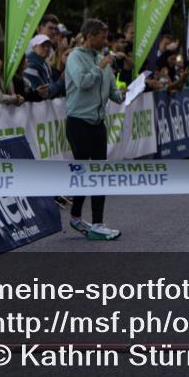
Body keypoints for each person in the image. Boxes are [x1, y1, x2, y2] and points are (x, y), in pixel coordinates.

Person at [65, 19, 124, 241]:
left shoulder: (102, 59)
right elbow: (83, 82)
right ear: (90, 36)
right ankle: (75, 215)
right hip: (78, 122)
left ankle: (98, 222)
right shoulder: (74, 57)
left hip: (98, 123)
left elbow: (112, 92)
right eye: (102, 37)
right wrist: (100, 67)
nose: (106, 41)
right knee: (82, 172)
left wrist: (124, 92)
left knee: (101, 173)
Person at [24, 34, 64, 101]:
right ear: (34, 47)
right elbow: (45, 93)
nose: (46, 48)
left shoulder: (44, 63)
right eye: (42, 45)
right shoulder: (30, 65)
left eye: (48, 46)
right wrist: (61, 81)